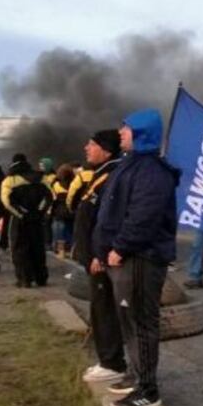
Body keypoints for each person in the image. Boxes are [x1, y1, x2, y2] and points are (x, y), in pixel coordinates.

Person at [94, 108, 180, 406]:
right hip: (125, 257)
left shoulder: (152, 172)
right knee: (128, 320)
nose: (120, 133)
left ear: (141, 133)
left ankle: (148, 389)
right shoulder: (131, 165)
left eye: (126, 128)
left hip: (141, 258)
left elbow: (143, 216)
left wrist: (120, 247)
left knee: (141, 322)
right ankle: (136, 374)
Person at [73, 130, 127, 384]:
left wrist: (99, 254)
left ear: (105, 149)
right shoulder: (101, 173)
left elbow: (110, 221)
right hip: (92, 257)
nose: (86, 148)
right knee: (99, 307)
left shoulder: (113, 176)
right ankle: (107, 358)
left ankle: (112, 363)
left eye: (91, 144)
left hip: (100, 258)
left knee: (105, 309)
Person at [5, 156, 52, 287]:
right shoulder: (41, 177)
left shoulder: (10, 180)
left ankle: (24, 279)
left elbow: (7, 202)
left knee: (19, 249)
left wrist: (22, 214)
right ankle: (41, 278)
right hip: (37, 220)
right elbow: (49, 197)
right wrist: (39, 212)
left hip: (19, 220)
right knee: (38, 248)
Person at [51, 163, 75, 257]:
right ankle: (70, 249)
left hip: (59, 211)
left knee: (58, 231)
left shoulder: (55, 184)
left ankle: (60, 250)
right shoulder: (74, 183)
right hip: (71, 211)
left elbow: (52, 198)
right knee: (70, 230)